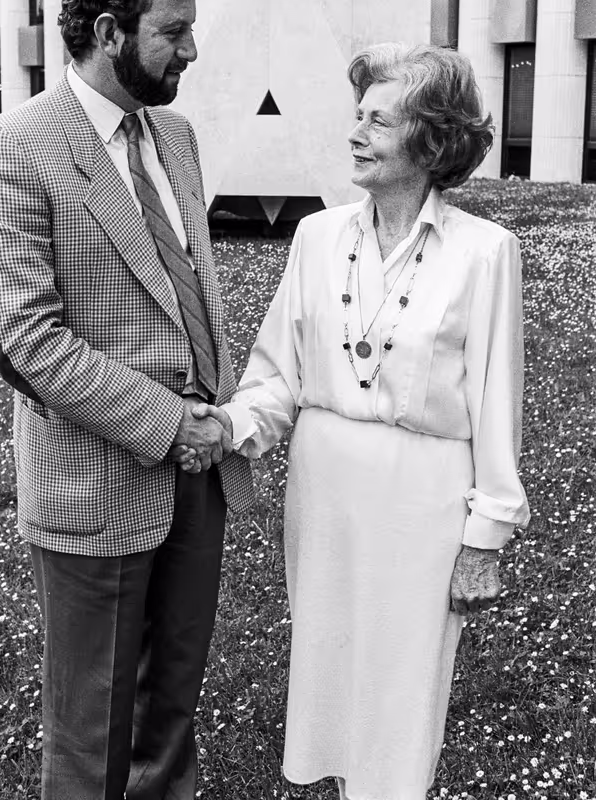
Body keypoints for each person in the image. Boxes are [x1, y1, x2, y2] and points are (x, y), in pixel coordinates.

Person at [174, 44, 530, 800]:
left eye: (379, 119)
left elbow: (498, 405)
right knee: (331, 674)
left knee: (402, 691)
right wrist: (225, 428)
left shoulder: (485, 252)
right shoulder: (316, 237)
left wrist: (484, 539)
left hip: (423, 501)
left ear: (432, 141)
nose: (355, 132)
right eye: (356, 115)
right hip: (325, 493)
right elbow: (277, 378)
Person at [0, 0, 253, 800]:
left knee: (172, 711)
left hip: (199, 478)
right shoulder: (14, 146)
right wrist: (174, 428)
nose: (192, 50)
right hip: (98, 483)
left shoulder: (177, 135)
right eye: (174, 30)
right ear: (108, 30)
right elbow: (29, 341)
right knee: (92, 735)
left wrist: (218, 422)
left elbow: (187, 289)